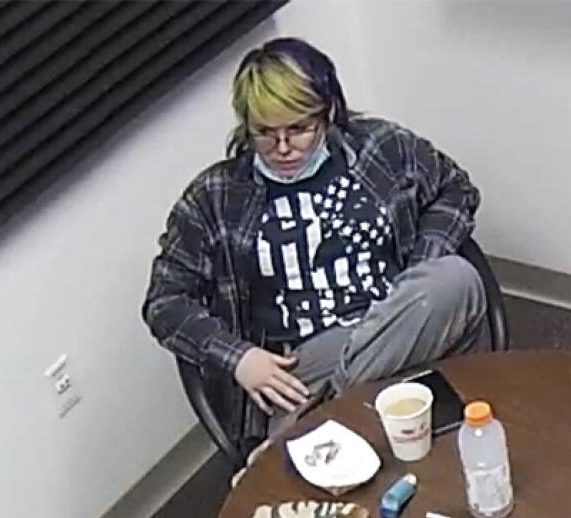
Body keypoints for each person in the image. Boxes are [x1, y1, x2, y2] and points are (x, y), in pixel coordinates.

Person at [143, 38, 485, 454]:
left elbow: (455, 188)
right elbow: (164, 301)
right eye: (264, 134)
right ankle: (332, 409)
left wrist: (417, 274)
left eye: (299, 129)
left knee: (454, 279)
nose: (283, 148)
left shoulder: (380, 146)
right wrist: (239, 358)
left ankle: (317, 419)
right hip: (302, 363)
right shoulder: (214, 196)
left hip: (399, 319)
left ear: (328, 115)